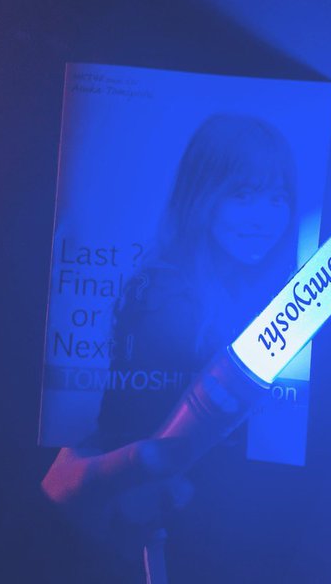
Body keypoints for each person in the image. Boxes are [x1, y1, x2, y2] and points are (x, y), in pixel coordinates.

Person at [42, 114, 298, 581]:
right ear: (203, 195)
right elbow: (142, 442)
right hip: (141, 526)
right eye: (243, 195)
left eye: (278, 197)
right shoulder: (166, 299)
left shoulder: (240, 289)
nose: (265, 218)